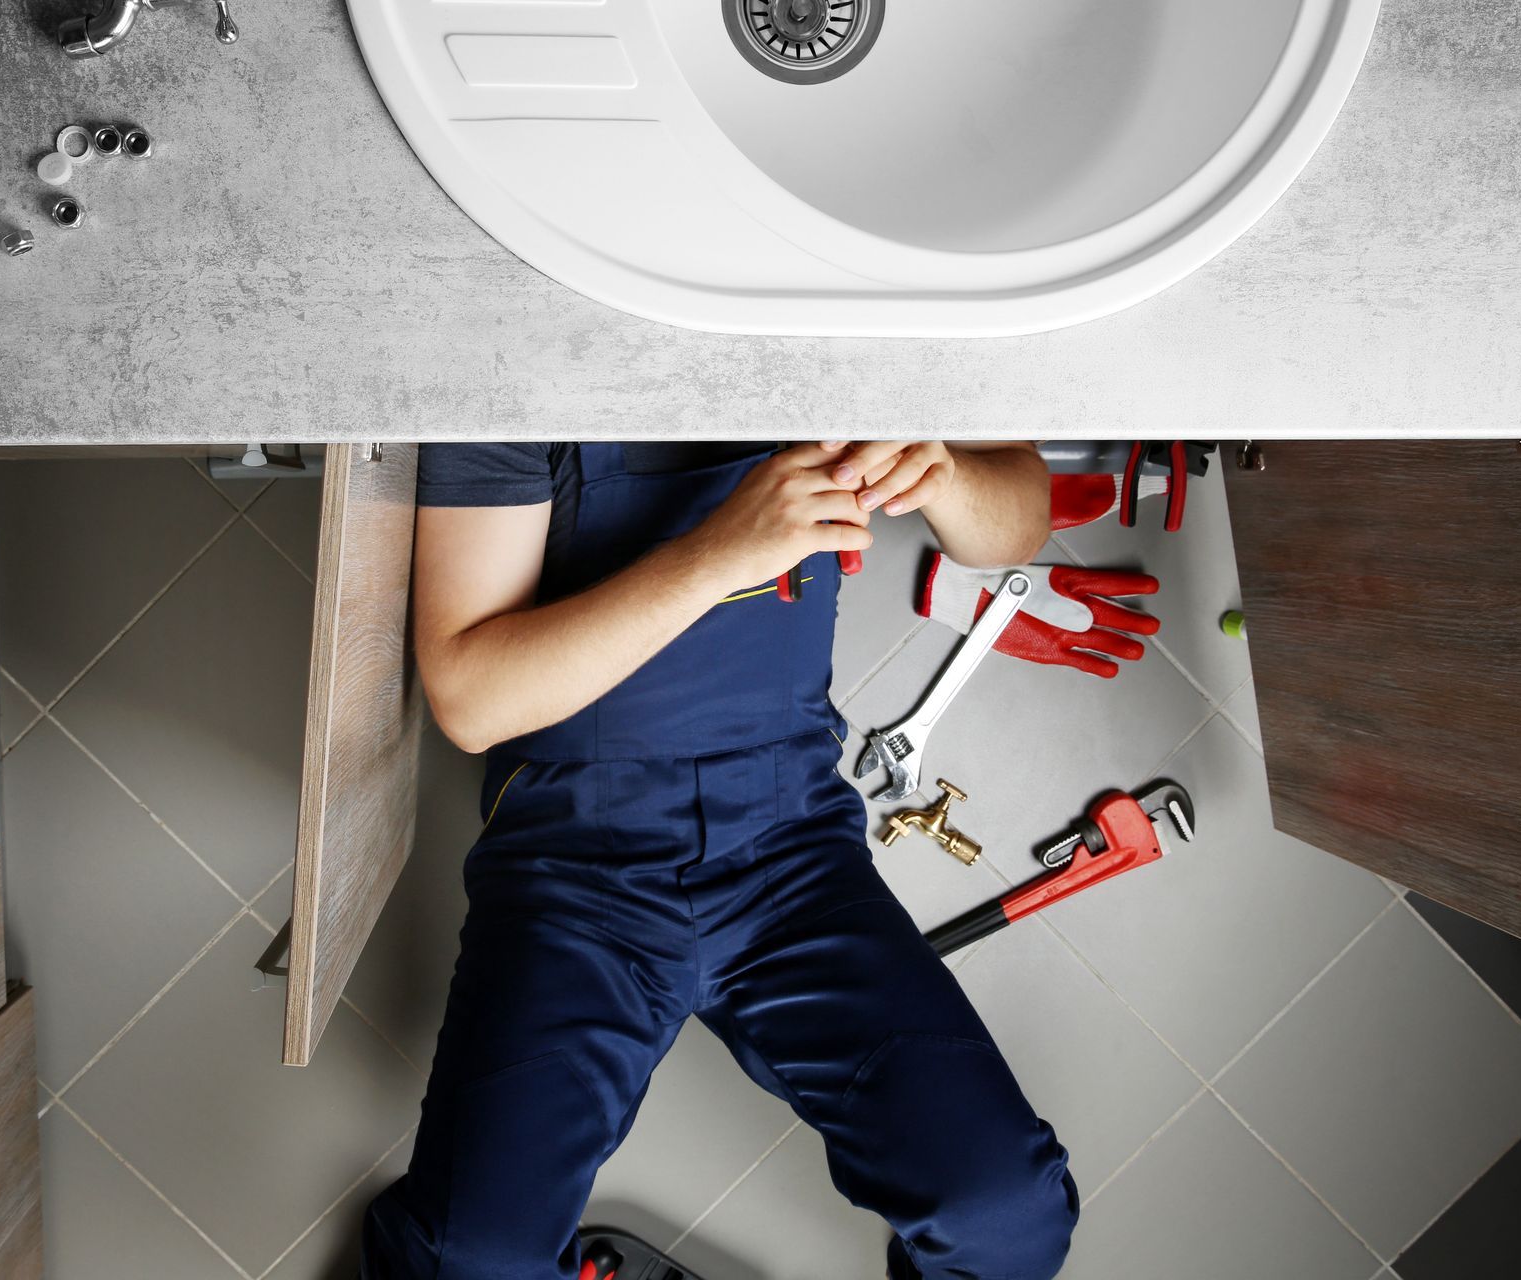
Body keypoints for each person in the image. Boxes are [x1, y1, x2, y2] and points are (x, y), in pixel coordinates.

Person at [362, 441, 1077, 1280]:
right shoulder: (514, 373)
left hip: (792, 853)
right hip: (577, 866)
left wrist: (949, 474)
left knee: (1010, 1223)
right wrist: (718, 552)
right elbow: (474, 698)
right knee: (475, 1261)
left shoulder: (841, 325)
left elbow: (1019, 520)